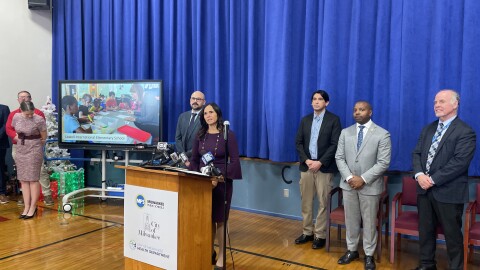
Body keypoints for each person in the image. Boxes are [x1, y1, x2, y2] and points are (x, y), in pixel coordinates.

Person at [412, 90, 476, 270]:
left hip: (449, 191)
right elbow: (416, 153)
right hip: (424, 190)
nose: (436, 105)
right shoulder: (428, 129)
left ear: (455, 104)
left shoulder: (465, 131)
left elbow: (460, 163)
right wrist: (419, 175)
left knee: (452, 235)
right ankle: (426, 264)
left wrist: (431, 179)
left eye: (441, 101)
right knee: (425, 231)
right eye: (435, 102)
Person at [335, 101, 391, 270]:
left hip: (370, 186)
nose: (357, 112)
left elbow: (383, 163)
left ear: (370, 112)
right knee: (351, 220)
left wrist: (363, 179)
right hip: (349, 185)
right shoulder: (345, 132)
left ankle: (368, 254)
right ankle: (352, 250)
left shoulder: (382, 134)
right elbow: (339, 157)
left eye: (361, 109)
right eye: (355, 110)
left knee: (368, 222)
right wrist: (350, 177)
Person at [188, 103, 242, 270]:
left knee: (220, 220)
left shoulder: (228, 135)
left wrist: (218, 176)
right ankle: (209, 250)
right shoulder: (200, 134)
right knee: (207, 219)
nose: (208, 115)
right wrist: (198, 174)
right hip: (204, 183)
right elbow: (195, 160)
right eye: (205, 113)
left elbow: (234, 162)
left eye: (211, 112)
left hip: (221, 182)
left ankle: (221, 256)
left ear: (218, 114)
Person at [294, 90, 341, 249]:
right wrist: (307, 160)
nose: (316, 102)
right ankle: (307, 232)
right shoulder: (305, 120)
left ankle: (320, 235)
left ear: (326, 103)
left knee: (323, 202)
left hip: (324, 168)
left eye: (320, 99)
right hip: (306, 167)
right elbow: (298, 142)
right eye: (314, 99)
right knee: (306, 201)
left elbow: (335, 144)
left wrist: (320, 162)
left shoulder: (334, 120)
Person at [6, 91, 53, 206]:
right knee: (23, 174)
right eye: (22, 97)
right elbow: (8, 128)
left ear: (31, 99)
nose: (24, 99)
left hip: (33, 147)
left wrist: (37, 143)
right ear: (18, 100)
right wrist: (15, 136)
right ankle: (26, 197)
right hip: (19, 147)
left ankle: (46, 194)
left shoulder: (38, 114)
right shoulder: (14, 114)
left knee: (39, 172)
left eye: (27, 97)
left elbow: (43, 132)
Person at [11, 101, 47, 219]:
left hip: (34, 149)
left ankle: (33, 206)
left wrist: (34, 143)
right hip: (21, 149)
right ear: (21, 111)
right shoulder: (16, 117)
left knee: (33, 179)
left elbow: (44, 136)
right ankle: (26, 207)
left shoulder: (39, 119)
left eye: (31, 113)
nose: (30, 116)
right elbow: (14, 131)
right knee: (23, 179)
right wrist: (20, 139)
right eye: (27, 114)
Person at [175, 91, 206, 160]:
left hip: (198, 159)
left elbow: (204, 142)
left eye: (198, 99)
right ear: (190, 100)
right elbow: (178, 138)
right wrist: (183, 155)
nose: (195, 101)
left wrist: (188, 154)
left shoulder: (206, 117)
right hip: (182, 159)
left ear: (204, 102)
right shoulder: (182, 116)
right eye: (193, 98)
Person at [0, 103, 10, 204]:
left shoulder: (4, 108)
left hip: (0, 143)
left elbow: (6, 125)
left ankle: (1, 193)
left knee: (0, 168)